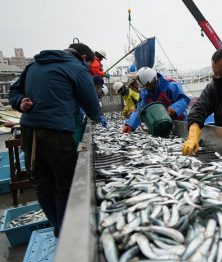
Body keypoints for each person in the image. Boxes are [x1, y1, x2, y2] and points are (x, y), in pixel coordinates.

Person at [8, 42, 107, 237]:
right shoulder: (77, 67)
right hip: (57, 134)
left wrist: (20, 102)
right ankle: (66, 232)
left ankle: (58, 228)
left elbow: (14, 91)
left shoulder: (33, 65)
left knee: (41, 183)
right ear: (84, 58)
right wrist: (98, 117)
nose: (88, 68)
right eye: (89, 64)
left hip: (30, 133)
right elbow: (91, 102)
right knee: (65, 183)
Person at [121, 67, 191, 133]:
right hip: (161, 123)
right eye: (144, 88)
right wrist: (130, 125)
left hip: (180, 121)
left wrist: (174, 108)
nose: (146, 89)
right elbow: (140, 110)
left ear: (153, 81)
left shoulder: (170, 86)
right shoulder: (146, 92)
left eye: (146, 87)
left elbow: (184, 99)